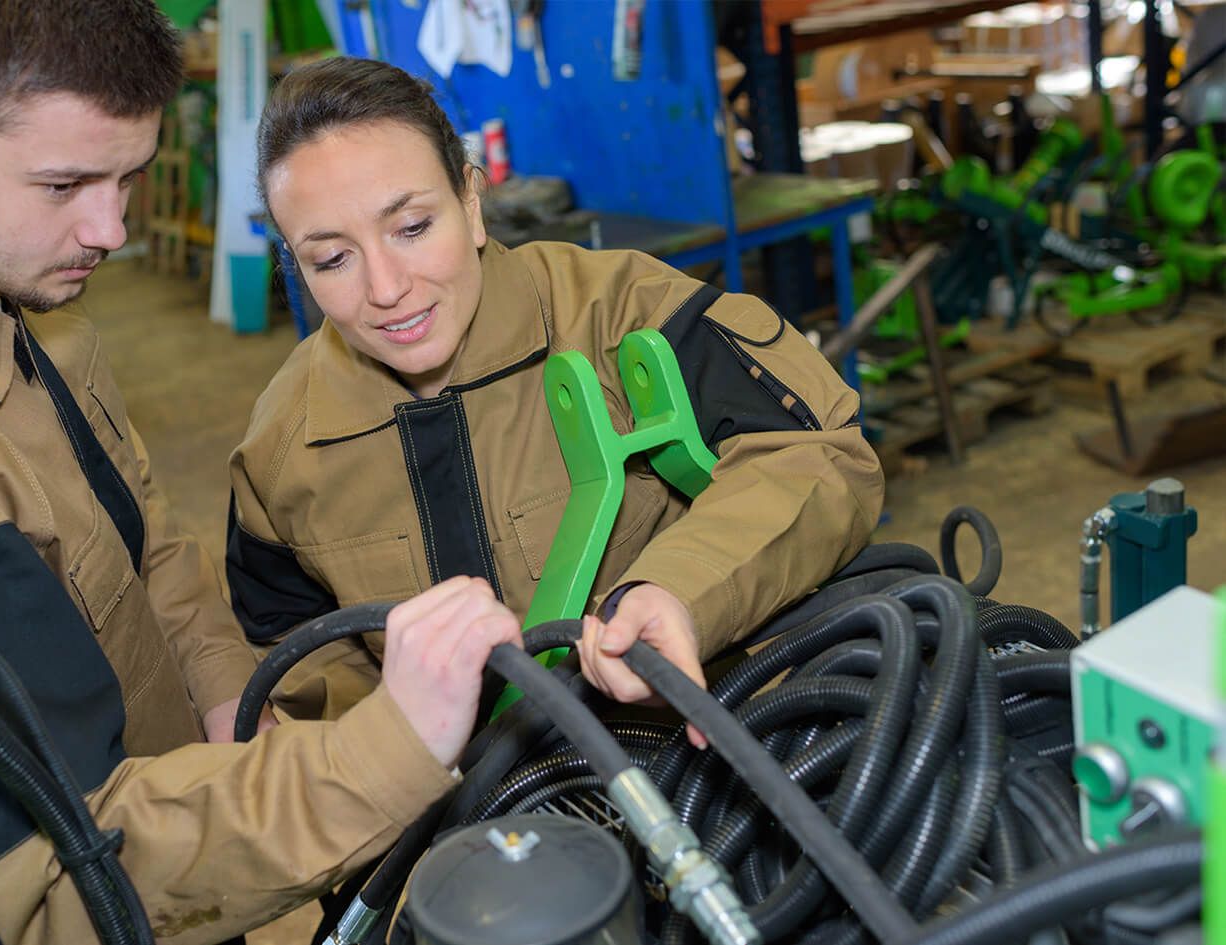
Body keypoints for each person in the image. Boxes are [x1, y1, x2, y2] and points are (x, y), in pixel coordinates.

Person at [0, 5, 525, 944]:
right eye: (64, 184)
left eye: (129, 177)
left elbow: (144, 540)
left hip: (190, 838)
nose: (111, 228)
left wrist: (224, 698)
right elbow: (60, 874)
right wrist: (389, 749)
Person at [228, 56, 886, 729]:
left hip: (692, 757)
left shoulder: (626, 318)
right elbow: (292, 647)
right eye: (332, 259)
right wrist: (395, 759)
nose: (386, 288)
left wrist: (680, 590)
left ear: (472, 201)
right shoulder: (282, 451)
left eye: (413, 227)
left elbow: (820, 452)